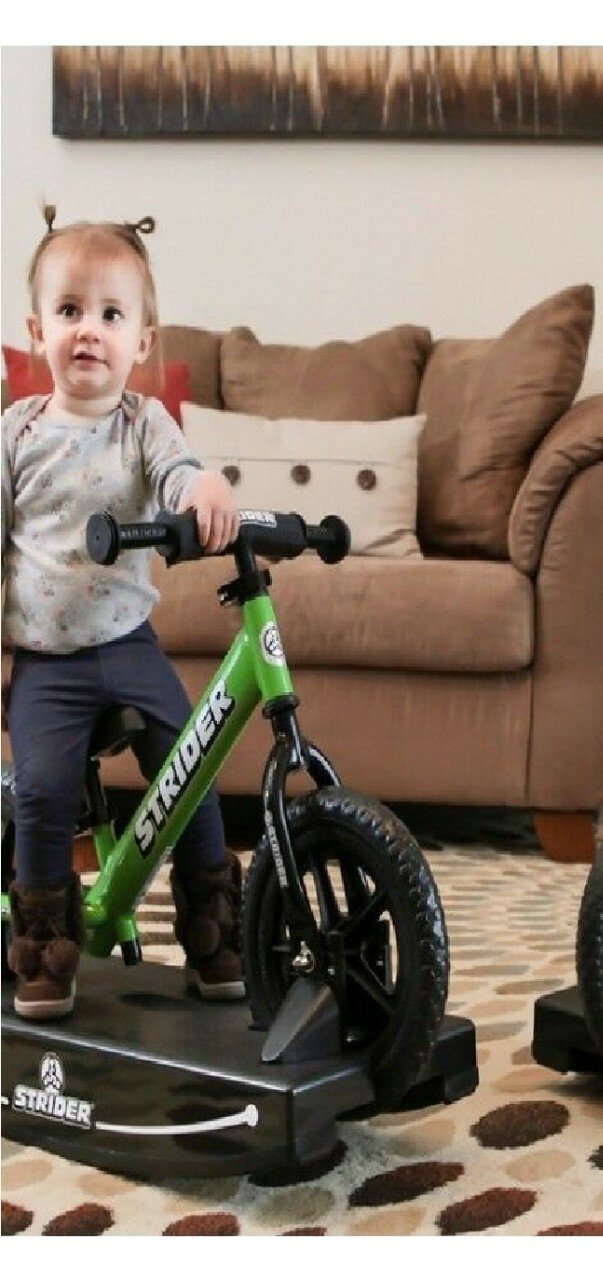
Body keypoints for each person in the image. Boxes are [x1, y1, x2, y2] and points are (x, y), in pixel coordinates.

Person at [2, 207, 244, 1019]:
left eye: (110, 315)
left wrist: (203, 488)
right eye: (70, 310)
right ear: (37, 330)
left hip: (129, 646)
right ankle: (43, 945)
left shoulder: (145, 424)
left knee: (192, 765)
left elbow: (179, 474)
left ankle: (214, 929)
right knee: (42, 790)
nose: (88, 331)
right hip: (46, 662)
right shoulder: (15, 434)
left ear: (141, 341)